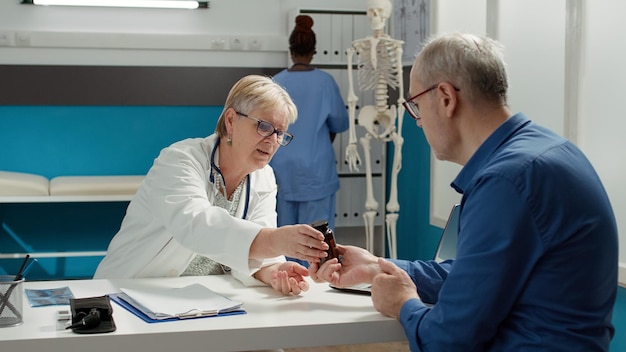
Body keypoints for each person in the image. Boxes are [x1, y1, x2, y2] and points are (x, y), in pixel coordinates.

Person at [310, 32, 619, 351]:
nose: (418, 122)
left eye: (416, 107)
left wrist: (403, 304)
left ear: (445, 97)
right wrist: (378, 266)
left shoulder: (506, 181)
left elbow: (448, 340)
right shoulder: (547, 152)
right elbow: (473, 277)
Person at [94, 75, 331, 296]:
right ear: (231, 120)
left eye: (280, 133)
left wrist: (274, 272)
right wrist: (277, 240)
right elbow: (197, 226)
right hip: (131, 291)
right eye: (264, 126)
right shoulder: (179, 160)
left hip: (204, 299)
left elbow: (255, 246)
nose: (272, 140)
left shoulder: (263, 176)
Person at [271, 15, 349, 266]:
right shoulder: (325, 82)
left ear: (291, 50)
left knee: (283, 241)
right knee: (318, 245)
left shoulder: (276, 82)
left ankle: (287, 286)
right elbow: (340, 123)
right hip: (316, 170)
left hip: (281, 170)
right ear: (314, 51)